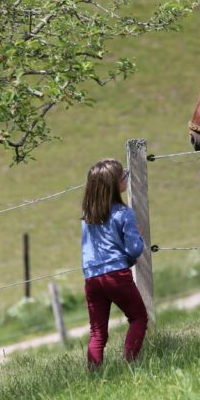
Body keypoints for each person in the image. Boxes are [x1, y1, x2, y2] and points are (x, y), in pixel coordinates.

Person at [80, 158, 148, 369]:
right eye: (123, 176)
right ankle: (131, 364)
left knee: (98, 332)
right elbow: (133, 249)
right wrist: (139, 237)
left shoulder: (87, 216)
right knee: (138, 318)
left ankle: (94, 374)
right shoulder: (124, 214)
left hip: (91, 278)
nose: (126, 177)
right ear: (115, 184)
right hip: (117, 276)